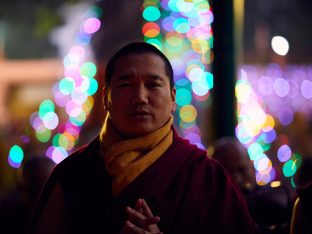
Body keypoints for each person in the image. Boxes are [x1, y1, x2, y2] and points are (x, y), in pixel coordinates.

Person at [29, 42, 258, 234]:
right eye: (126, 85)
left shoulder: (206, 176)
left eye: (153, 85)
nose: (140, 97)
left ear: (173, 97)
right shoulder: (73, 174)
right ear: (107, 98)